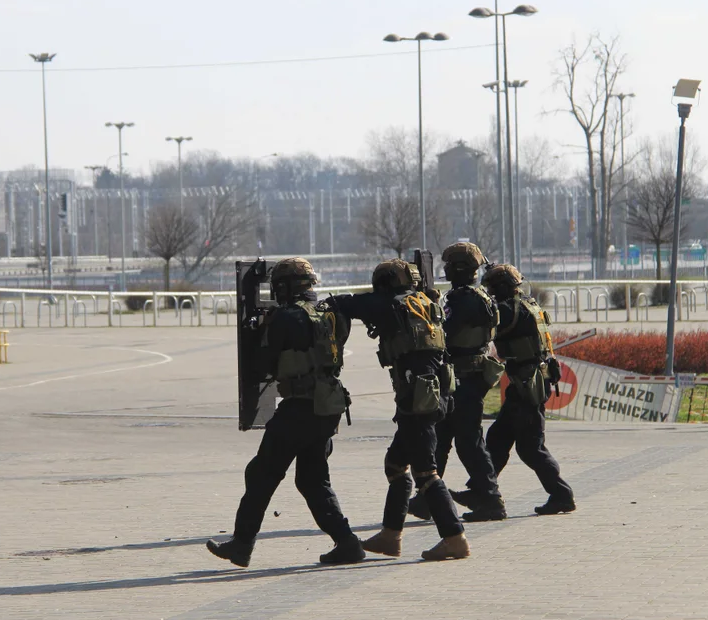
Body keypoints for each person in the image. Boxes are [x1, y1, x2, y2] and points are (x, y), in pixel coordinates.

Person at [207, 257, 365, 568]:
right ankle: (347, 542)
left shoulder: (286, 318)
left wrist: (261, 330)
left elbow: (262, 366)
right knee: (312, 480)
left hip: (298, 409)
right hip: (327, 407)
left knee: (261, 474)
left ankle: (241, 545)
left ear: (284, 287)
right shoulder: (333, 313)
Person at [327, 260, 470, 561]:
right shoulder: (425, 303)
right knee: (395, 465)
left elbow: (347, 304)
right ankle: (391, 536)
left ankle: (454, 537)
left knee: (426, 473)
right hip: (433, 395)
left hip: (417, 400)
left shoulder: (390, 304)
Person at [409, 243, 507, 523]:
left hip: (465, 380)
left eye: (450, 265)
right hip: (464, 379)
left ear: (459, 268)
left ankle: (490, 499)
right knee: (441, 438)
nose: (446, 270)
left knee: (468, 441)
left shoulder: (463, 299)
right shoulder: (476, 295)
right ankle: (429, 497)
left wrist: (427, 308)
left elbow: (443, 333)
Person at [481, 264, 575, 516]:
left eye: (491, 288)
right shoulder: (528, 305)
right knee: (499, 438)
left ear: (502, 287)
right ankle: (485, 494)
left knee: (530, 447)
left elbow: (485, 322)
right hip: (529, 381)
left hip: (527, 384)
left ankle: (561, 495)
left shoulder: (510, 310)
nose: (490, 293)